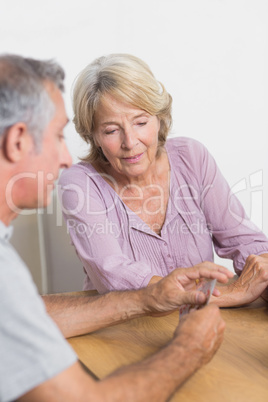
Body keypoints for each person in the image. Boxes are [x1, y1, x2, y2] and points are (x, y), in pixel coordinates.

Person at [0, 54, 232, 402]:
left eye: (141, 122)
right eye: (58, 136)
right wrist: (189, 347)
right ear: (18, 140)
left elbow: (25, 311)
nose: (66, 157)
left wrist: (149, 297)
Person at [59, 53, 268, 307]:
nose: (130, 142)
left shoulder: (192, 157)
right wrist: (236, 292)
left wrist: (261, 275)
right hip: (123, 332)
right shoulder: (79, 184)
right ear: (93, 135)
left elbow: (243, 240)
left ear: (160, 117)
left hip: (204, 321)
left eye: (141, 122)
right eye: (111, 130)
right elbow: (113, 277)